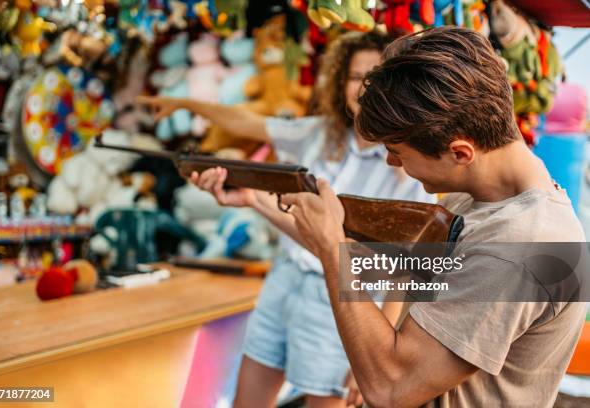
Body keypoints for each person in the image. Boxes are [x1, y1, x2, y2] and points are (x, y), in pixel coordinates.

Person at [278, 27, 588, 407]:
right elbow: (418, 272)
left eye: (396, 151)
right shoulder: (483, 199)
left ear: (460, 153)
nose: (391, 161)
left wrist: (331, 251)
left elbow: (390, 389)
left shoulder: (518, 248)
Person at [138, 31, 434, 407]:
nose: (364, 89)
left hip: (343, 300)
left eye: (374, 78)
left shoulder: (409, 168)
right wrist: (187, 105)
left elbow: (407, 272)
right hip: (285, 278)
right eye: (356, 77)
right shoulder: (318, 133)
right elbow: (245, 122)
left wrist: (384, 355)